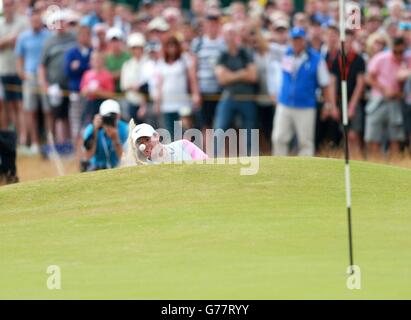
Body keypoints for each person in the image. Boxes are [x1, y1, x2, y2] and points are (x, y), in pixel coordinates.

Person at [273, 27, 336, 157]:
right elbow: (285, 77)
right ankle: (278, 170)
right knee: (279, 138)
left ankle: (304, 172)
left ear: (304, 41)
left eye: (298, 40)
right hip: (285, 103)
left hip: (305, 105)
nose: (296, 43)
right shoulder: (287, 54)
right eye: (293, 40)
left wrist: (328, 104)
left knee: (305, 142)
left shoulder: (316, 59)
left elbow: (325, 84)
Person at [214, 23, 258, 157]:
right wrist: (242, 73)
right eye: (227, 33)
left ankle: (249, 159)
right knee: (220, 128)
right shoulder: (222, 55)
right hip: (229, 97)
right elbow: (221, 79)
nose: (230, 37)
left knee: (250, 131)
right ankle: (214, 158)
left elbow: (253, 76)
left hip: (247, 98)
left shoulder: (246, 53)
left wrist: (230, 75)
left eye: (232, 33)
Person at [38, 11, 77, 151]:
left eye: (62, 22)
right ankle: (61, 144)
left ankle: (72, 143)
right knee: (59, 115)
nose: (60, 25)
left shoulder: (74, 37)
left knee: (71, 115)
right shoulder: (49, 42)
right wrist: (44, 84)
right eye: (57, 23)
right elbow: (42, 65)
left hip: (73, 83)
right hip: (56, 85)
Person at [365, 36, 410, 158]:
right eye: (395, 52)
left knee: (395, 138)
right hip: (378, 100)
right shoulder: (380, 58)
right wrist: (383, 89)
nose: (398, 55)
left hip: (395, 102)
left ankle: (393, 169)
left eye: (401, 52)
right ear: (391, 49)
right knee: (373, 138)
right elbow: (368, 78)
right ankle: (375, 168)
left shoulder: (407, 59)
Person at [15, 9, 51, 155]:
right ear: (30, 21)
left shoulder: (48, 36)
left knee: (48, 111)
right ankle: (35, 143)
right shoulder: (23, 37)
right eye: (33, 20)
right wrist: (22, 74)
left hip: (45, 78)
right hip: (29, 78)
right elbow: (19, 58)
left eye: (38, 20)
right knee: (30, 111)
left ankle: (50, 142)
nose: (35, 23)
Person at [154, 35, 200, 141]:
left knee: (185, 131)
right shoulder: (161, 62)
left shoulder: (184, 59)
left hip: (182, 102)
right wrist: (157, 101)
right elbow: (159, 83)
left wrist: (195, 94)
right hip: (167, 103)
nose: (171, 49)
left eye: (173, 45)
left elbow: (192, 78)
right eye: (169, 46)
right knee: (170, 133)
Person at [330, 29, 366, 158]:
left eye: (349, 41)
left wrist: (352, 105)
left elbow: (360, 83)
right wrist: (333, 105)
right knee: (345, 133)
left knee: (354, 134)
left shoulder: (358, 59)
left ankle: (357, 160)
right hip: (341, 101)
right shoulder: (336, 60)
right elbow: (332, 83)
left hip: (353, 101)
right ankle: (348, 159)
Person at [0, 0, 29, 146]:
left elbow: (26, 41)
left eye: (10, 4)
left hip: (19, 71)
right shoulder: (0, 23)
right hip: (4, 70)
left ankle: (24, 139)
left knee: (21, 105)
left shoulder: (23, 22)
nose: (7, 7)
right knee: (8, 106)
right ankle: (14, 138)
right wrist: (8, 40)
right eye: (5, 4)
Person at [191, 9, 225, 131]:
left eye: (215, 23)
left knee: (222, 125)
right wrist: (196, 92)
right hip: (203, 91)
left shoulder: (224, 43)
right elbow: (193, 69)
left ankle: (221, 150)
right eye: (209, 23)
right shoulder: (198, 43)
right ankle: (208, 150)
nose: (212, 26)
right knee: (205, 125)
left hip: (221, 91)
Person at [64, 25, 93, 149]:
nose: (84, 38)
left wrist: (79, 66)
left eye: (86, 35)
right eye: (82, 35)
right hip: (75, 91)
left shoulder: (92, 51)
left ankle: (86, 147)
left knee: (88, 120)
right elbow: (68, 71)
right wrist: (85, 66)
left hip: (90, 93)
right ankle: (76, 147)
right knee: (75, 120)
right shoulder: (72, 52)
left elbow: (93, 68)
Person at [129, 122, 207, 164]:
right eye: (140, 143)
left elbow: (207, 162)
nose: (145, 145)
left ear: (156, 136)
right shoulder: (148, 170)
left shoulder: (183, 145)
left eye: (147, 139)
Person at [83, 99, 128, 170]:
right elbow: (87, 156)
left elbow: (125, 160)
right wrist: (95, 131)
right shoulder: (91, 129)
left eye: (113, 117)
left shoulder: (126, 129)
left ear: (119, 116)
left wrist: (116, 140)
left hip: (119, 167)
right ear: (100, 117)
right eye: (106, 117)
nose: (109, 120)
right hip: (96, 168)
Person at [80, 50, 115, 128]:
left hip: (102, 104)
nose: (96, 62)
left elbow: (111, 94)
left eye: (99, 59)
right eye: (94, 59)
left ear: (103, 61)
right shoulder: (87, 74)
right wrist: (86, 91)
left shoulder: (107, 75)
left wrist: (98, 92)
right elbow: (82, 91)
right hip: (89, 105)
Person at [120, 32, 147, 124]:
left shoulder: (148, 63)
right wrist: (133, 87)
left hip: (147, 103)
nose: (136, 51)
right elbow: (123, 86)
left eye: (138, 48)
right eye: (133, 48)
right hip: (131, 102)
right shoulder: (127, 65)